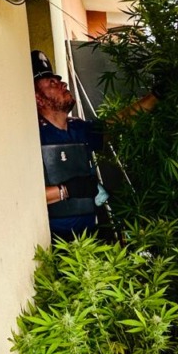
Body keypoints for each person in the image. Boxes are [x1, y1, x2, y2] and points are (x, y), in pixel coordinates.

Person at [32, 51, 106, 240]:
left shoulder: (79, 128)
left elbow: (119, 124)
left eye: (59, 81)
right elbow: (23, 196)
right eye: (52, 84)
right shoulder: (32, 136)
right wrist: (67, 190)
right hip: (56, 241)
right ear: (38, 98)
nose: (63, 84)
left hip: (91, 234)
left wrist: (154, 97)